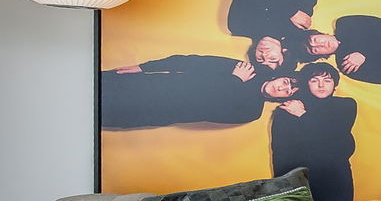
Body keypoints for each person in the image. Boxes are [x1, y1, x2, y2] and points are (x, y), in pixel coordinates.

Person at [101, 56, 299, 129]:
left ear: (284, 99)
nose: (282, 88)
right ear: (279, 76)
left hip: (155, 111)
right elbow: (190, 62)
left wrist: (234, 81)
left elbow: (208, 109)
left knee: (90, 120)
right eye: (286, 82)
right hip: (151, 85)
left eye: (288, 92)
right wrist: (144, 67)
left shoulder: (251, 112)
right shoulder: (246, 68)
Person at [271, 63, 357, 201]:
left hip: (336, 177)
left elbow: (343, 147)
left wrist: (302, 115)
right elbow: (280, 152)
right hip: (301, 181)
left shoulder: (345, 105)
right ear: (306, 83)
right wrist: (283, 189)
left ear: (335, 85)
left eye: (327, 81)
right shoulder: (287, 108)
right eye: (314, 80)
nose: (321, 85)